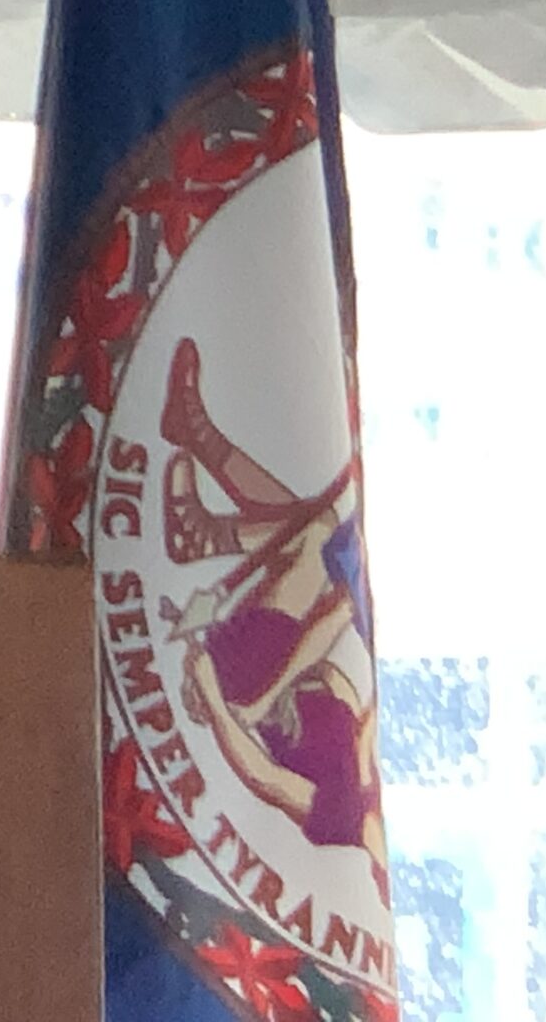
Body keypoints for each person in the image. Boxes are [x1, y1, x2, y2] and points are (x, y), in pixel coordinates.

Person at [158, 337, 388, 903]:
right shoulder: (367, 769)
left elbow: (260, 775)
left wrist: (222, 699)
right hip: (279, 654)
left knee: (318, 535)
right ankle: (206, 518)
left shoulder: (338, 822)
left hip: (238, 679)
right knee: (318, 535)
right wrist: (314, 654)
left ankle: (207, 518)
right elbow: (331, 648)